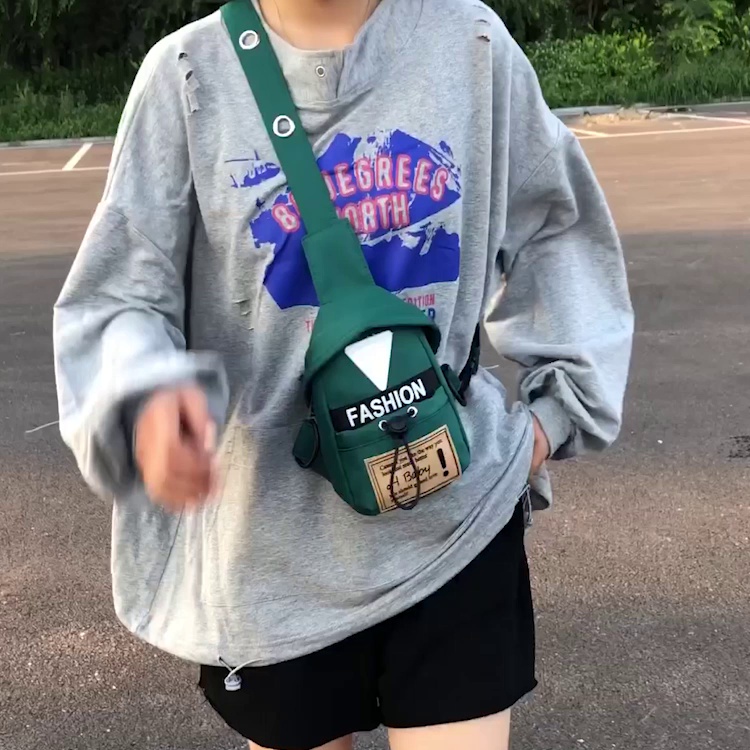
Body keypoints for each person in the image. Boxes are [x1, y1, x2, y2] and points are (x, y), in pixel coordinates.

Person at [53, 0, 633, 748]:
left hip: (454, 523)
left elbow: (558, 226)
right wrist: (145, 402)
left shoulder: (472, 44)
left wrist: (556, 417)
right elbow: (123, 292)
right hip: (272, 551)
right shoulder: (188, 76)